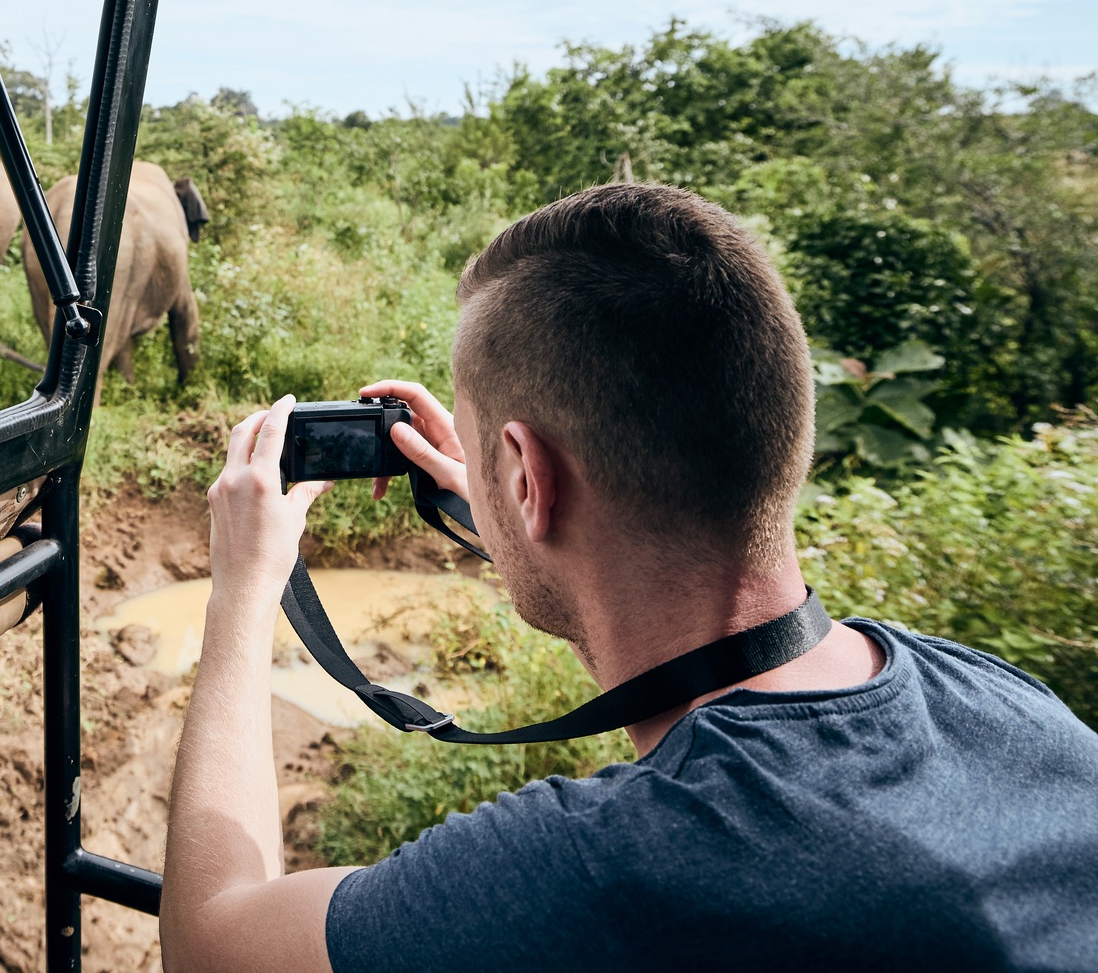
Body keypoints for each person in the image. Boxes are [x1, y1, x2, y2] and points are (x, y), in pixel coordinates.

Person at [160, 183, 1098, 973]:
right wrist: (499, 505)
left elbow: (212, 941)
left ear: (531, 477)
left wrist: (247, 588)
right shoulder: (1007, 702)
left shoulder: (619, 862)